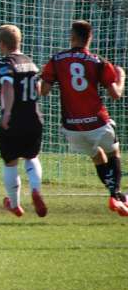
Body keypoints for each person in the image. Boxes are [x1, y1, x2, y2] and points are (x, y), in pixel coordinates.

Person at [40, 20, 127, 216]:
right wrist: (121, 77)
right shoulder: (98, 61)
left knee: (97, 157)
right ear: (90, 38)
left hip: (72, 127)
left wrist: (41, 79)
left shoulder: (57, 59)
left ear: (72, 37)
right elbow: (115, 95)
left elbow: (44, 90)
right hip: (97, 121)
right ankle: (116, 195)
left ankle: (118, 197)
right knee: (113, 152)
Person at [0, 25, 46, 218]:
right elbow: (38, 89)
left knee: (10, 162)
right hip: (34, 117)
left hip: (15, 118)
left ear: (1, 44)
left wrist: (7, 112)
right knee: (32, 157)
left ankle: (15, 204)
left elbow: (7, 85)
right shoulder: (30, 63)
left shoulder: (5, 62)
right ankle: (35, 189)